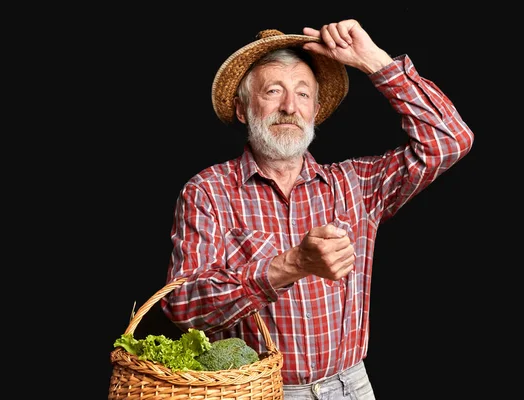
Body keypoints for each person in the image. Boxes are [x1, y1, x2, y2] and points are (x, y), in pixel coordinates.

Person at [161, 19, 474, 399]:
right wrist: (290, 265)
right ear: (242, 110)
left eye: (303, 94)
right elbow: (183, 306)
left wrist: (374, 61)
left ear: (316, 110)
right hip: (261, 392)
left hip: (352, 386)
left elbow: (450, 141)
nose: (289, 106)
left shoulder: (354, 184)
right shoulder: (208, 191)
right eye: (273, 91)